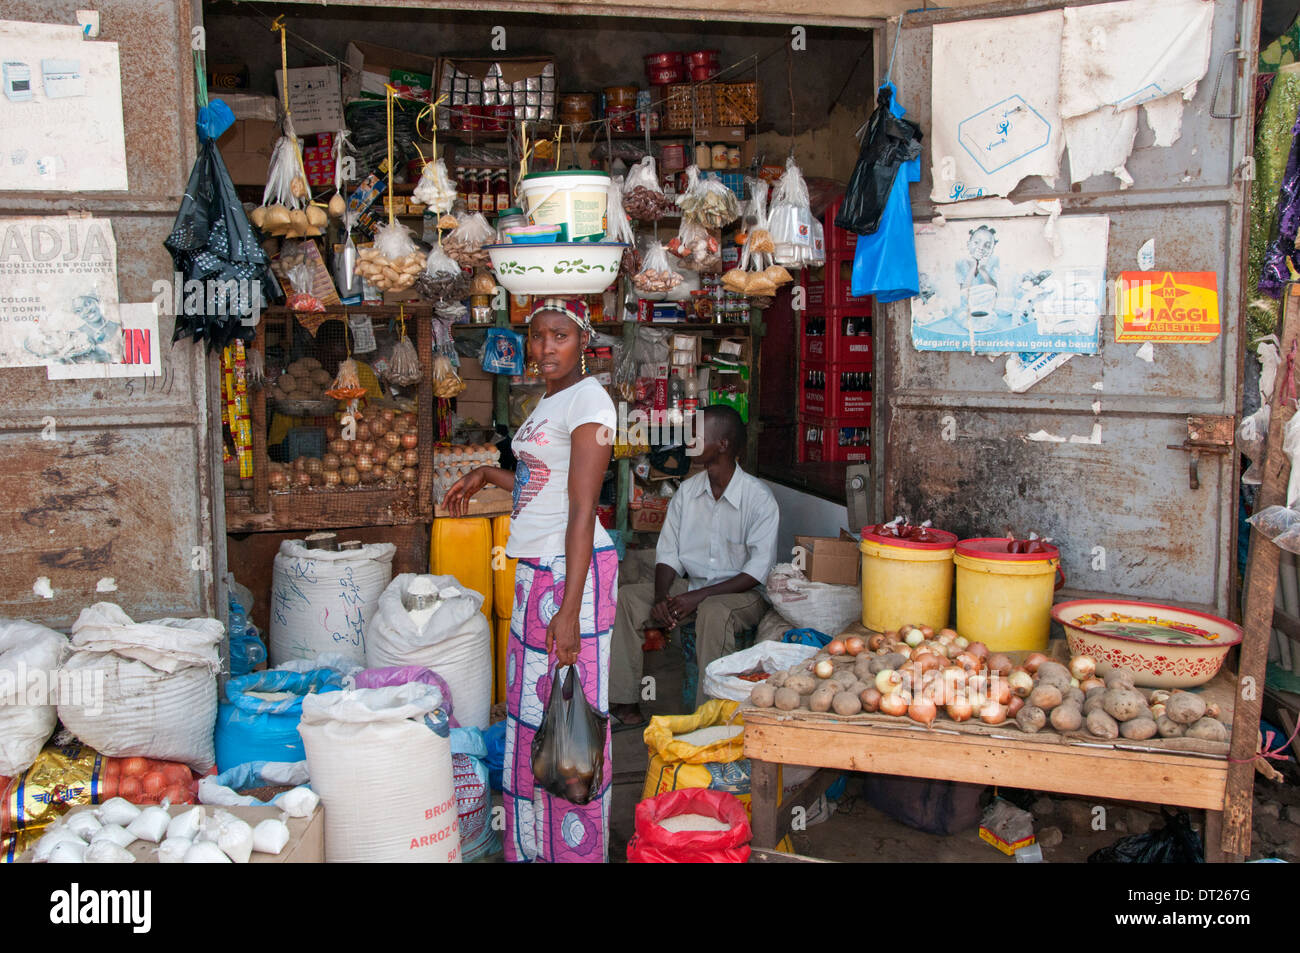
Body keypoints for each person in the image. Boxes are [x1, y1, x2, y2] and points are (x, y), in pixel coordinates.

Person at [443, 297, 617, 864]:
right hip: (538, 571)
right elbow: (540, 479)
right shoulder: (551, 398)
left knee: (571, 722)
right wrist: (487, 473)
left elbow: (582, 507)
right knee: (532, 714)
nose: (545, 348)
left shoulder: (591, 401)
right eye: (537, 336)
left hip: (571, 576)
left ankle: (574, 850)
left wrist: (569, 610)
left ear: (583, 343)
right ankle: (533, 846)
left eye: (559, 336)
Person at [609, 405, 779, 727]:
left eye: (697, 431)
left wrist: (696, 598)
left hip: (743, 595)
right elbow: (669, 553)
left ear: (724, 444)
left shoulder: (759, 499)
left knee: (715, 611)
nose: (689, 436)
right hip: (695, 587)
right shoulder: (687, 493)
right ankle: (625, 701)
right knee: (629, 599)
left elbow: (756, 571)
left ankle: (707, 718)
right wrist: (662, 596)